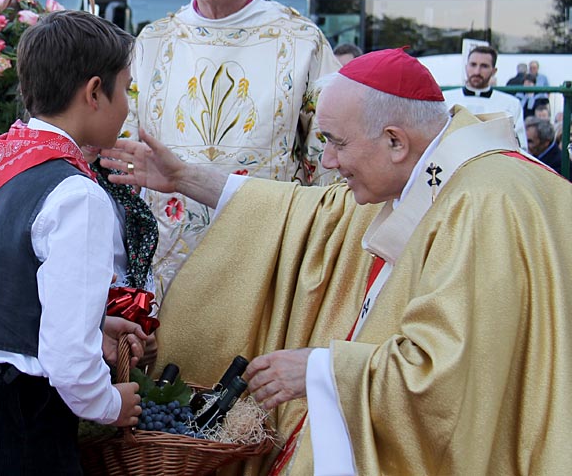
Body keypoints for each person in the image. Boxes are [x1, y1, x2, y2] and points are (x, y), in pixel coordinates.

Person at [103, 48, 572, 475]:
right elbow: (315, 213)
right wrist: (184, 178)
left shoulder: (481, 205)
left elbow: (451, 380)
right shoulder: (441, 177)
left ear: (395, 141)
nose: (326, 160)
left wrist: (319, 370)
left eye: (337, 142)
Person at [0, 10, 145, 475]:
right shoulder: (77, 195)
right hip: (19, 403)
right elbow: (68, 359)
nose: (128, 106)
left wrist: (94, 325)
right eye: (126, 89)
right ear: (94, 92)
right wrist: (110, 403)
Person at [126, 0, 340, 300]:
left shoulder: (300, 40)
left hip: (266, 250)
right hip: (169, 255)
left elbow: (329, 151)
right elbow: (125, 140)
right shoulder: (154, 41)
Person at [440, 45, 527, 148]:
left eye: (484, 66)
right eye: (473, 65)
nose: (477, 71)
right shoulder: (445, 100)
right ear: (466, 67)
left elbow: (521, 146)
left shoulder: (511, 104)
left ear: (494, 71)